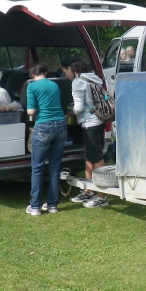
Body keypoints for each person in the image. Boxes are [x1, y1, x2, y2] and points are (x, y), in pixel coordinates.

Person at [63, 57, 109, 208]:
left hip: (90, 123)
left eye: (65, 71)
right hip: (99, 120)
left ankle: (102, 197)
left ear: (70, 68)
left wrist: (69, 113)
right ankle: (88, 191)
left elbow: (78, 107)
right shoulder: (94, 77)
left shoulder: (77, 82)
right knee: (89, 156)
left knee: (96, 158)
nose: (65, 75)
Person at [25, 63, 68, 216]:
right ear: (45, 72)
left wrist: (32, 109)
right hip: (60, 124)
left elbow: (31, 111)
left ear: (32, 75)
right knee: (55, 167)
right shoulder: (54, 85)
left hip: (43, 125)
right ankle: (52, 205)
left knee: (37, 167)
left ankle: (35, 206)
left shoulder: (32, 86)